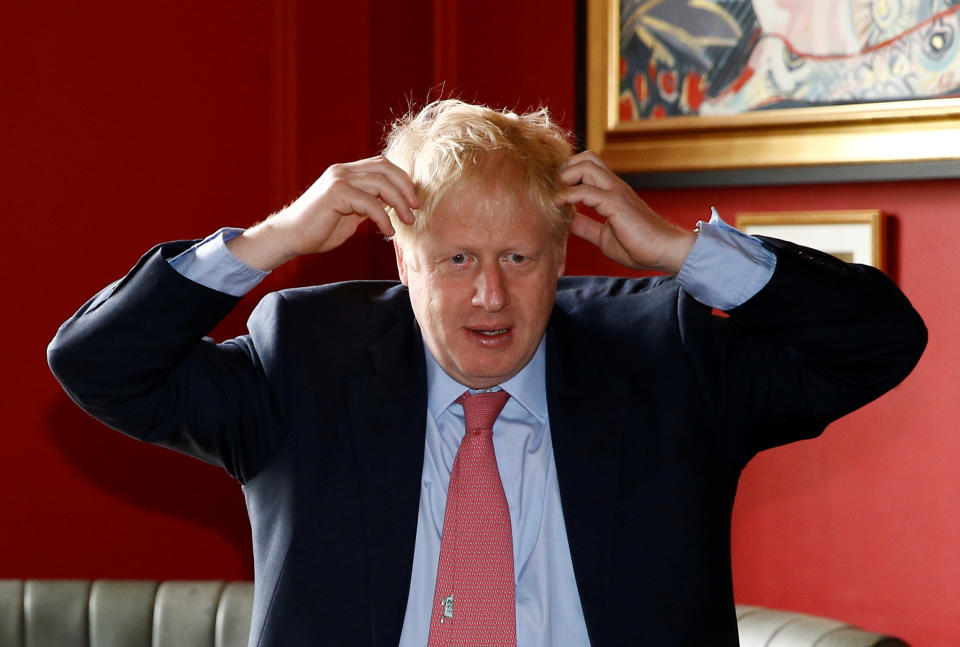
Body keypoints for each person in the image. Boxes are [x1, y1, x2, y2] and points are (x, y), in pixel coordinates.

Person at [48, 99, 926, 646]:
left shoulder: (665, 358)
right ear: (403, 259)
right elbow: (99, 364)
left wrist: (688, 252)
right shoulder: (305, 362)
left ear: (562, 255)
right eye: (457, 257)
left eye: (519, 255)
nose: (490, 296)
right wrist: (268, 240)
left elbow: (881, 340)